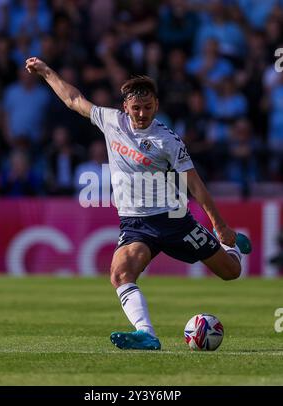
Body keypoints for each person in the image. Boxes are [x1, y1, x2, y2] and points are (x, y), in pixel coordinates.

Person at [25, 57, 252, 351]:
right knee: (120, 273)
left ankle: (233, 244)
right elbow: (73, 98)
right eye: (136, 108)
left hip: (173, 219)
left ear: (156, 105)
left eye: (147, 107)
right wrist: (45, 71)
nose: (141, 113)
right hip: (135, 223)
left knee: (230, 272)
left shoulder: (167, 140)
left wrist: (219, 225)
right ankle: (147, 334)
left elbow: (195, 184)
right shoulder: (111, 122)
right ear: (126, 107)